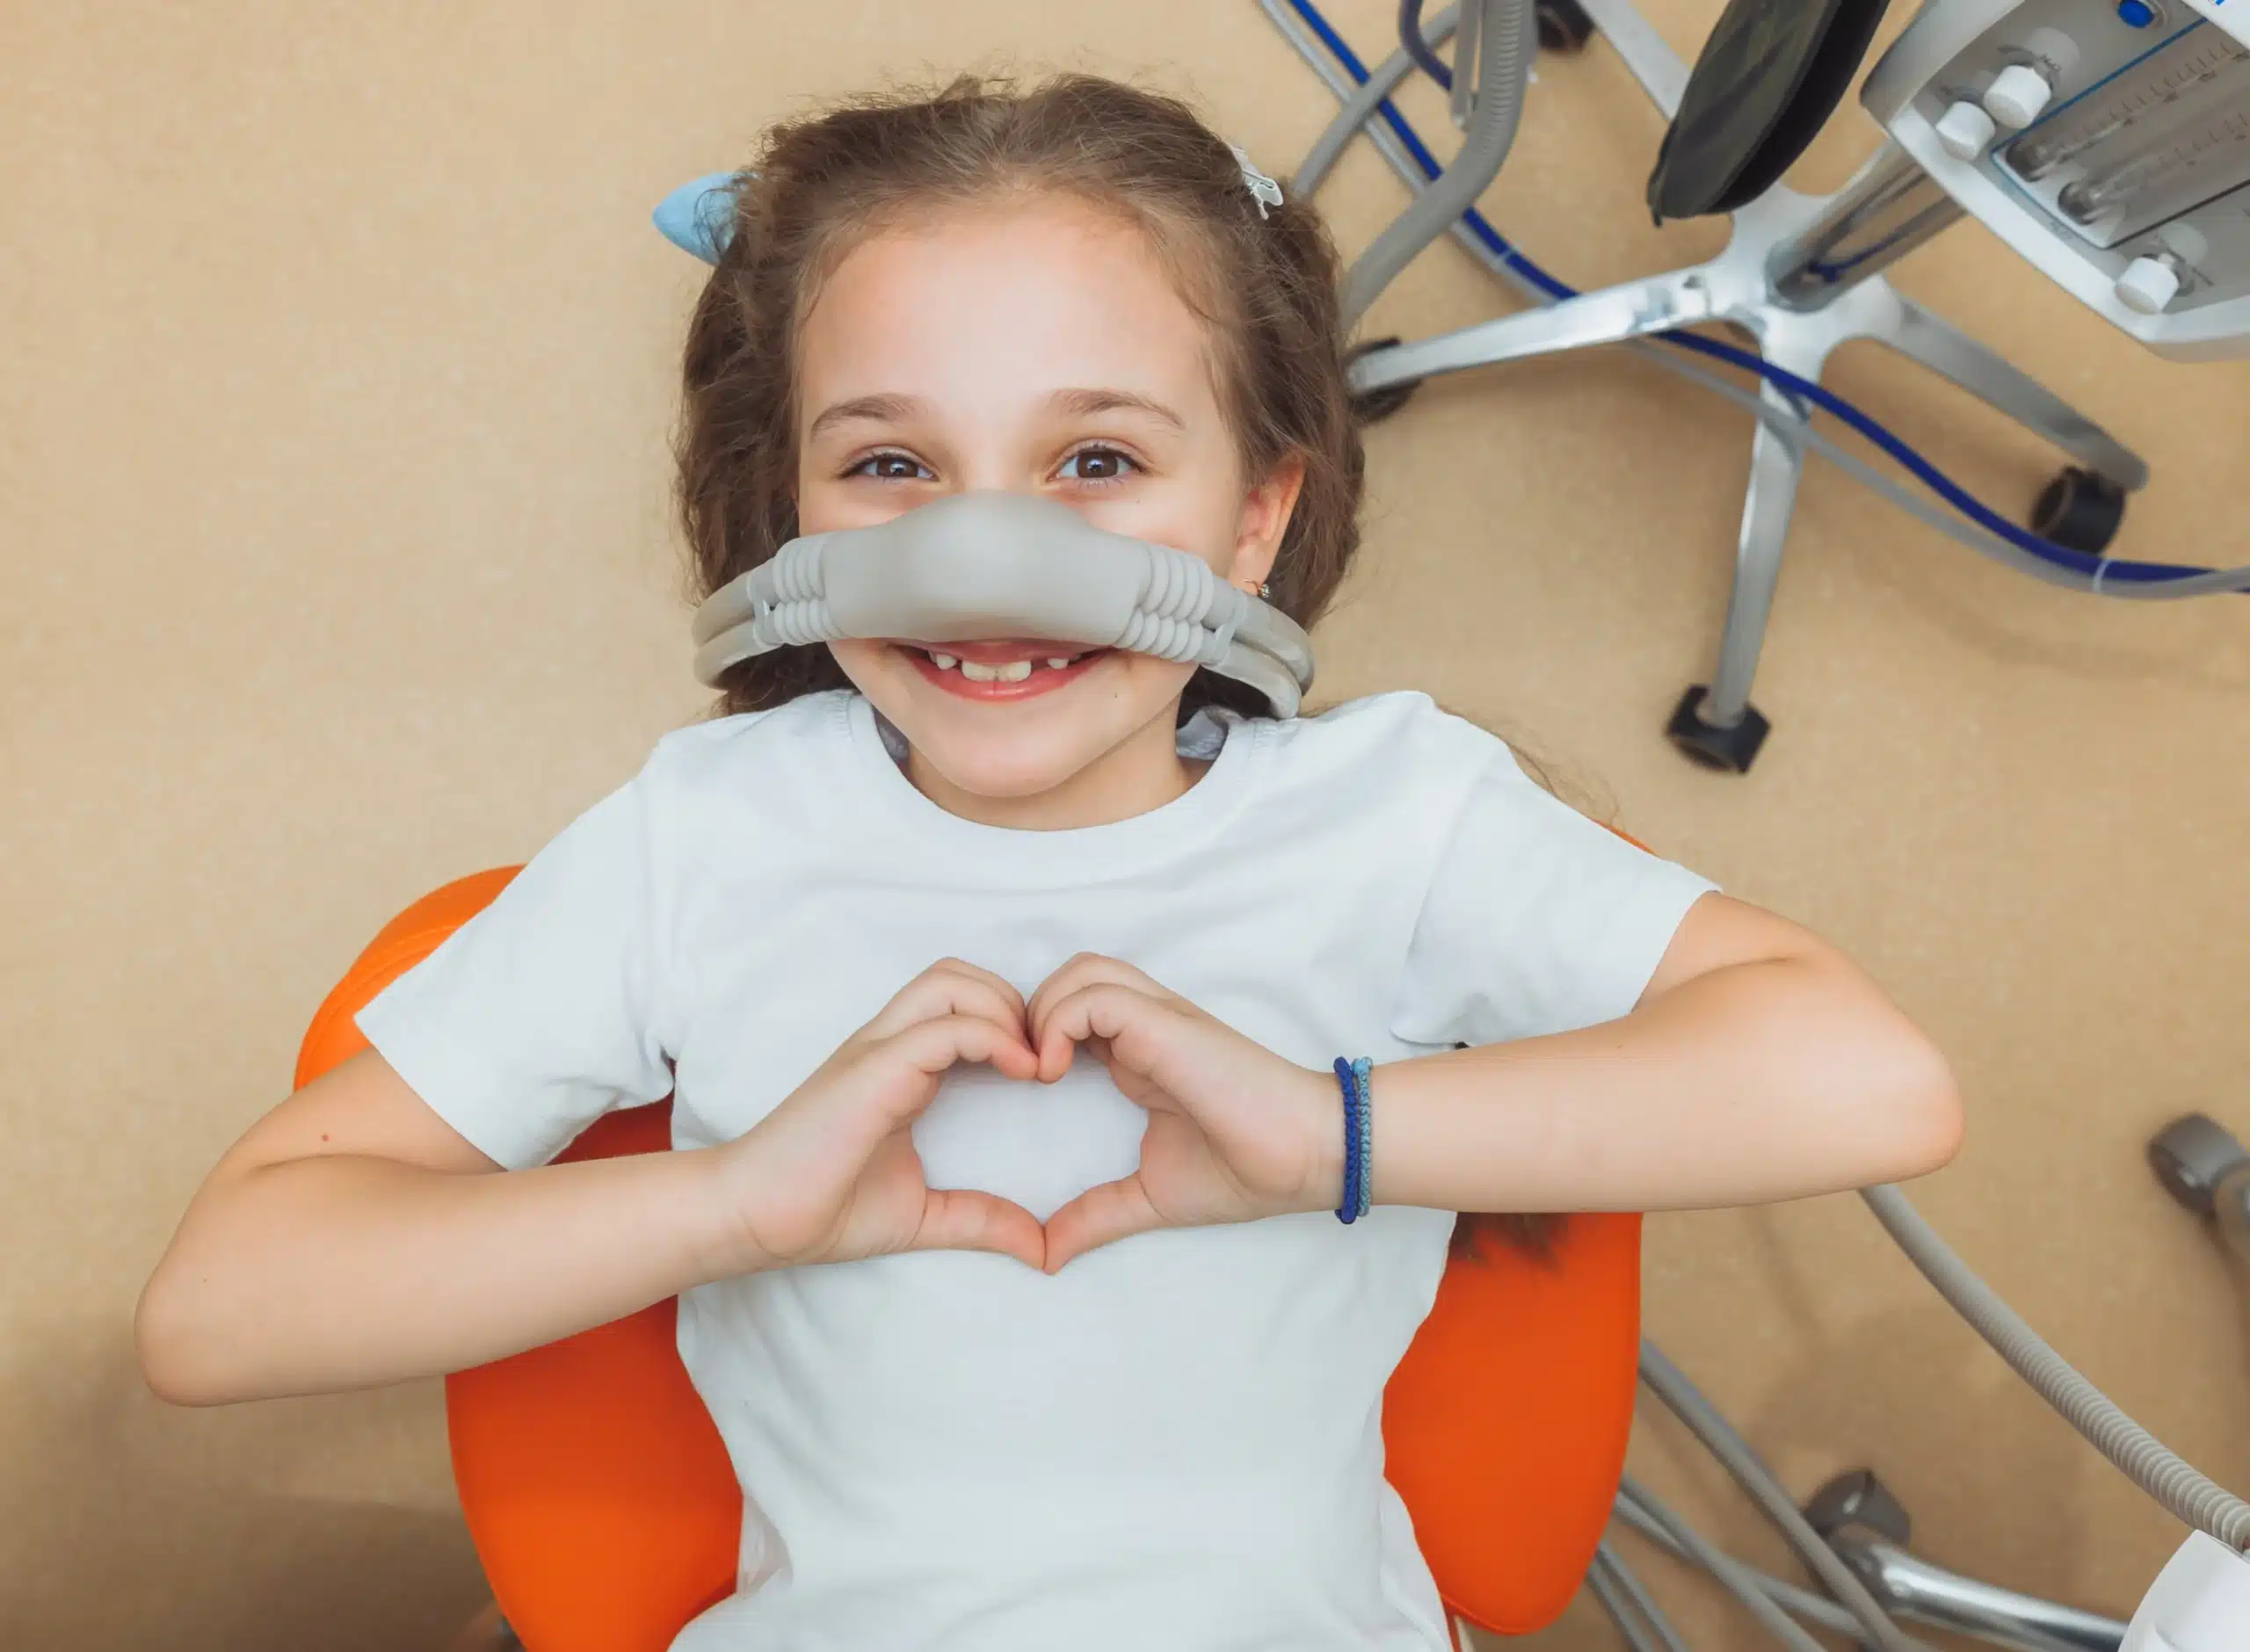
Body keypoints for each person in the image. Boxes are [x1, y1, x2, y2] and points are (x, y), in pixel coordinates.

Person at [136, 72, 1963, 1650]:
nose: (983, 555)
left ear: (1255, 516)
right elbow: (219, 1309)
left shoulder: (1399, 821)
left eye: (1091, 459)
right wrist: (739, 1207)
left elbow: (1866, 1081)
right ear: (786, 514)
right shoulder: (708, 839)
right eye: (889, 468)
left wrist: (1317, 1136)